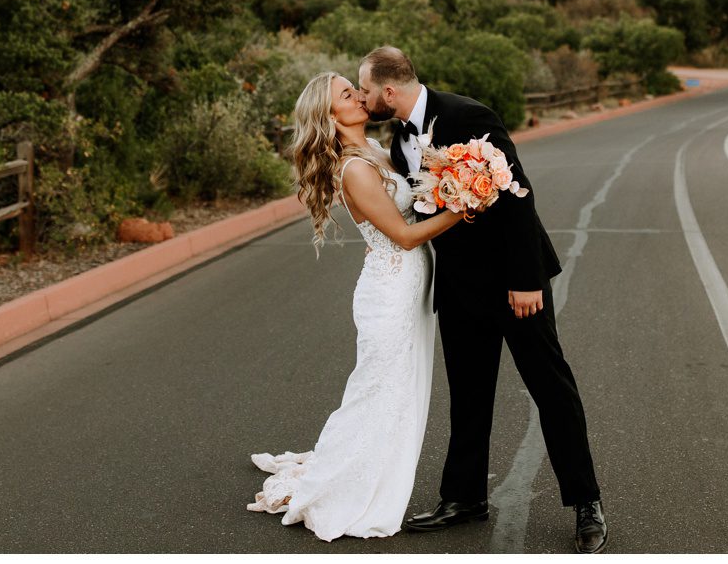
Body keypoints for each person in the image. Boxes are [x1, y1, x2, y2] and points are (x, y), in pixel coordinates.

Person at [358, 46, 608, 554]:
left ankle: (586, 503)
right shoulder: (399, 137)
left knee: (550, 387)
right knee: (469, 396)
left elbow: (517, 197)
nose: (363, 99)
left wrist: (526, 279)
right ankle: (464, 497)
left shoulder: (469, 116)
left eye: (364, 90)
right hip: (457, 286)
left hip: (515, 283)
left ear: (388, 90)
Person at [247, 73, 463, 541]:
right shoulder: (355, 168)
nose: (359, 97)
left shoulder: (378, 153)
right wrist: (465, 208)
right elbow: (404, 237)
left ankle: (379, 471)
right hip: (389, 291)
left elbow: (406, 212)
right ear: (330, 116)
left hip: (408, 287)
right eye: (347, 94)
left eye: (355, 88)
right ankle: (347, 486)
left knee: (399, 389)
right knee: (377, 389)